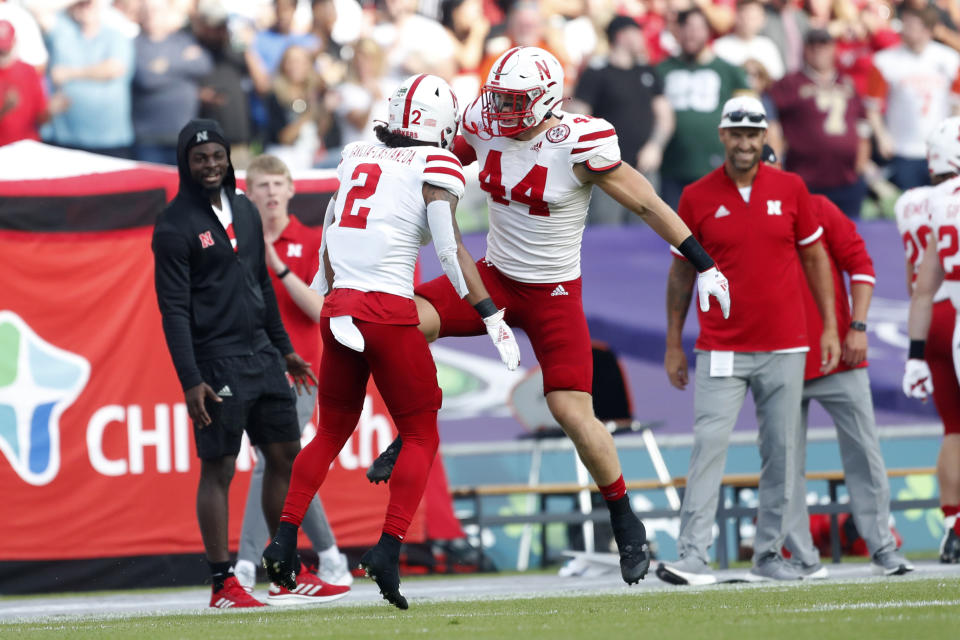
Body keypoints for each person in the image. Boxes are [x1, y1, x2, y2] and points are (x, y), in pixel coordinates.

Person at [368, 47, 732, 587]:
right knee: (398, 319)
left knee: (572, 414)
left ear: (546, 100)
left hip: (554, 293)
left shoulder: (580, 142)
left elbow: (648, 203)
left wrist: (704, 264)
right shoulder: (482, 122)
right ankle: (416, 424)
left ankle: (625, 520)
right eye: (500, 99)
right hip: (494, 274)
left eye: (516, 101)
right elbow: (432, 162)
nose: (504, 111)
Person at [261, 74, 521, 610]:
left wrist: (323, 296)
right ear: (439, 121)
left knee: (329, 431)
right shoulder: (436, 164)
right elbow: (450, 253)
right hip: (387, 309)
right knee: (422, 433)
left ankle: (284, 539)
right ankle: (388, 548)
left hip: (343, 307)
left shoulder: (359, 156)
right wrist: (491, 315)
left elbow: (333, 230)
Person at [152, 118, 348, 608]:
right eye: (200, 159)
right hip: (216, 361)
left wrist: (285, 350)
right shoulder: (174, 225)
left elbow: (261, 286)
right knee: (218, 469)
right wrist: (190, 379)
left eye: (217, 156)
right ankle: (223, 583)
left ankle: (282, 571)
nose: (211, 165)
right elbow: (173, 310)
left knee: (285, 456)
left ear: (227, 158)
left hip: (263, 355)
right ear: (186, 164)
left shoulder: (243, 207)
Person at [656, 95, 840, 585]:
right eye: (736, 133)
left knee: (782, 452)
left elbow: (817, 259)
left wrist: (829, 326)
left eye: (753, 133)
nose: (744, 142)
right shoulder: (695, 196)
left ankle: (769, 555)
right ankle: (693, 554)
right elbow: (679, 274)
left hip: (785, 345)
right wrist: (675, 342)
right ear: (722, 136)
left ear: (765, 137)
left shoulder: (792, 188)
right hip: (720, 347)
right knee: (708, 445)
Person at [769, 159, 914, 577]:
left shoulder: (819, 208)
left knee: (865, 454)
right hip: (779, 360)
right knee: (783, 461)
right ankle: (801, 555)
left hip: (839, 357)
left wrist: (858, 327)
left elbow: (862, 267)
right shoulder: (746, 223)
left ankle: (883, 546)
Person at [231, 153, 352, 592]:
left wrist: (276, 265)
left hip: (300, 371)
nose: (270, 194)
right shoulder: (236, 242)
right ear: (249, 193)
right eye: (262, 186)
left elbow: (319, 309)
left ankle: (245, 562)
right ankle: (331, 555)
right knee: (285, 463)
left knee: (270, 461)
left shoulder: (309, 241)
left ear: (291, 190)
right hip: (252, 370)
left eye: (277, 185)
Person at [899, 116, 960, 564]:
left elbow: (920, 283)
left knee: (954, 429)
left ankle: (955, 524)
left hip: (939, 318)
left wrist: (914, 354)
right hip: (951, 310)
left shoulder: (918, 202)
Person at [574, 15, 674, 224]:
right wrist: (594, 154)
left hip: (644, 167)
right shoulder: (596, 73)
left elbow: (665, 115)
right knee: (605, 231)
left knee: (646, 231)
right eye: (637, 32)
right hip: (607, 170)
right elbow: (578, 116)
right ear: (622, 36)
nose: (642, 38)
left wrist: (656, 146)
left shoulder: (647, 71)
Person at [769, 28, 871, 218]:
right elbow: (768, 114)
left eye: (824, 46)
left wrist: (862, 163)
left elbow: (863, 124)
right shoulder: (790, 83)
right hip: (805, 178)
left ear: (833, 49)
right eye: (813, 46)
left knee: (847, 239)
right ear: (805, 50)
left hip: (846, 178)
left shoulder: (846, 83)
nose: (818, 51)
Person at [656, 8, 750, 209]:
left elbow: (750, 114)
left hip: (715, 168)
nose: (691, 34)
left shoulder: (730, 71)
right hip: (671, 167)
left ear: (708, 32)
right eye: (686, 27)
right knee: (672, 233)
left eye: (698, 28)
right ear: (677, 31)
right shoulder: (660, 70)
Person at [866, 5, 960, 191]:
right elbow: (872, 107)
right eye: (905, 24)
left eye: (912, 25)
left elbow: (956, 104)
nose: (905, 29)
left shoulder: (950, 59)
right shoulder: (884, 61)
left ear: (927, 29)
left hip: (940, 150)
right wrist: (882, 136)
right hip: (902, 149)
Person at [42, 0, 135, 158]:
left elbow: (113, 68)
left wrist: (69, 73)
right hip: (66, 138)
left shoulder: (116, 34)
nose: (85, 8)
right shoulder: (62, 32)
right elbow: (37, 9)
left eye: (89, 4)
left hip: (109, 139)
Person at [132, 0, 212, 165]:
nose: (152, 14)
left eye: (156, 10)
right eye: (147, 10)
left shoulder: (183, 40)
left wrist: (165, 65)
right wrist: (183, 63)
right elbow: (147, 79)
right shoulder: (135, 44)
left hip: (184, 135)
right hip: (149, 138)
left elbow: (203, 64)